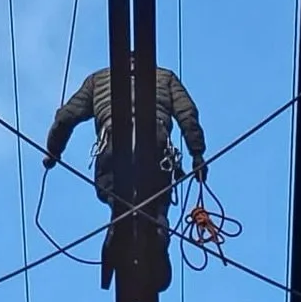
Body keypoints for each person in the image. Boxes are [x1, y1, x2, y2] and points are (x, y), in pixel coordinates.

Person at [43, 65, 207, 290]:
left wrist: (53, 152)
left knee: (116, 196)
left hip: (112, 144)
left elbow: (65, 117)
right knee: (157, 205)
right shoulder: (165, 77)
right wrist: (197, 154)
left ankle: (117, 225)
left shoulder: (97, 79)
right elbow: (187, 114)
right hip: (156, 144)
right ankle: (158, 235)